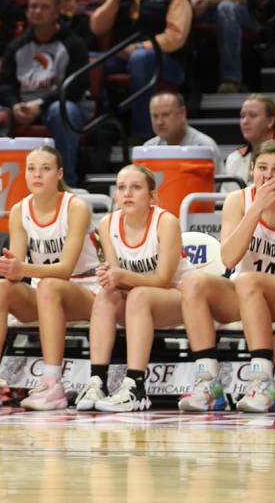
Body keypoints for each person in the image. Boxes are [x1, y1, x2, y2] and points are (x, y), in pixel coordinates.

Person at [179, 140, 275, 413]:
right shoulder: (237, 201)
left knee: (247, 280)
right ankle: (209, 384)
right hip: (246, 294)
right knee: (194, 281)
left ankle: (262, 381)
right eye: (262, 168)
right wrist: (256, 209)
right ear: (252, 169)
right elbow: (229, 259)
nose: (268, 176)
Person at [0, 147, 98, 409]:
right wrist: (8, 269)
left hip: (86, 292)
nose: (37, 174)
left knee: (49, 285)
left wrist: (22, 269)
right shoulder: (19, 210)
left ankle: (52, 383)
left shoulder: (75, 206)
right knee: (0, 288)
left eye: (45, 169)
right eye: (31, 168)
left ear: (59, 174)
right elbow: (19, 266)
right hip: (45, 294)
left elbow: (66, 268)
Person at [75, 164, 187, 412]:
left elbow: (163, 279)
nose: (127, 194)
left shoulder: (166, 222)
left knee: (138, 294)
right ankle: (97, 381)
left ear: (152, 196)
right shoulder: (107, 224)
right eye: (122, 188)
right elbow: (119, 281)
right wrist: (109, 277)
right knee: (106, 294)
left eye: (136, 188)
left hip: (179, 300)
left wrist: (122, 275)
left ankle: (136, 385)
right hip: (139, 303)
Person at [90, 0, 192, 138]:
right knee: (93, 62)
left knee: (140, 58)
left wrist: (139, 48)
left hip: (169, 62)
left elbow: (176, 37)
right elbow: (97, 27)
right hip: (125, 57)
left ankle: (143, 135)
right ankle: (105, 129)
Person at [0, 0, 89, 184]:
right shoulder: (16, 47)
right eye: (33, 6)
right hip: (23, 108)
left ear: (57, 12)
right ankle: (5, 184)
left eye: (44, 7)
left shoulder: (74, 45)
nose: (37, 11)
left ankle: (66, 183)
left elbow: (75, 87)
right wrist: (14, 105)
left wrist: (40, 105)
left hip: (55, 106)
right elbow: (4, 84)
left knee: (63, 110)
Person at [224, 95, 275, 188]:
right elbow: (224, 199)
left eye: (253, 115)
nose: (245, 121)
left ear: (270, 121)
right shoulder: (233, 158)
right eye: (242, 116)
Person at [144, 92, 222, 169]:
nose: (159, 122)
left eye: (165, 115)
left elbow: (218, 181)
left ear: (182, 113)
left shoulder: (205, 147)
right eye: (155, 116)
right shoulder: (148, 148)